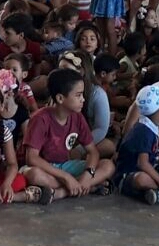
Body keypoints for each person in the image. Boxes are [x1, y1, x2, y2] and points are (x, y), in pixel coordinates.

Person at [22, 68, 115, 200]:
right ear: (60, 98)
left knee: (108, 165)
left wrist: (88, 174)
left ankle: (62, 192)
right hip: (45, 168)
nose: (83, 99)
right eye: (78, 95)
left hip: (66, 165)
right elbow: (32, 159)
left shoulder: (77, 117)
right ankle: (84, 187)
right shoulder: (40, 119)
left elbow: (92, 152)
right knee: (34, 175)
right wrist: (66, 177)